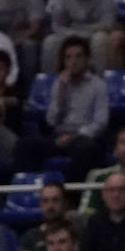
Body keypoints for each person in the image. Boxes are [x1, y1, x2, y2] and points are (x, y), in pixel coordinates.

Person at [16, 37, 110, 179]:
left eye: (79, 56)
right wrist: (61, 91)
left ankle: (72, 198)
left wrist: (74, 136)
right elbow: (51, 121)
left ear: (87, 59)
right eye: (68, 57)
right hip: (59, 136)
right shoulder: (59, 83)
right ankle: (32, 192)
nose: (73, 61)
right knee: (24, 145)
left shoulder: (98, 85)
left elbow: (100, 123)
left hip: (84, 137)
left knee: (86, 149)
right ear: (64, 61)